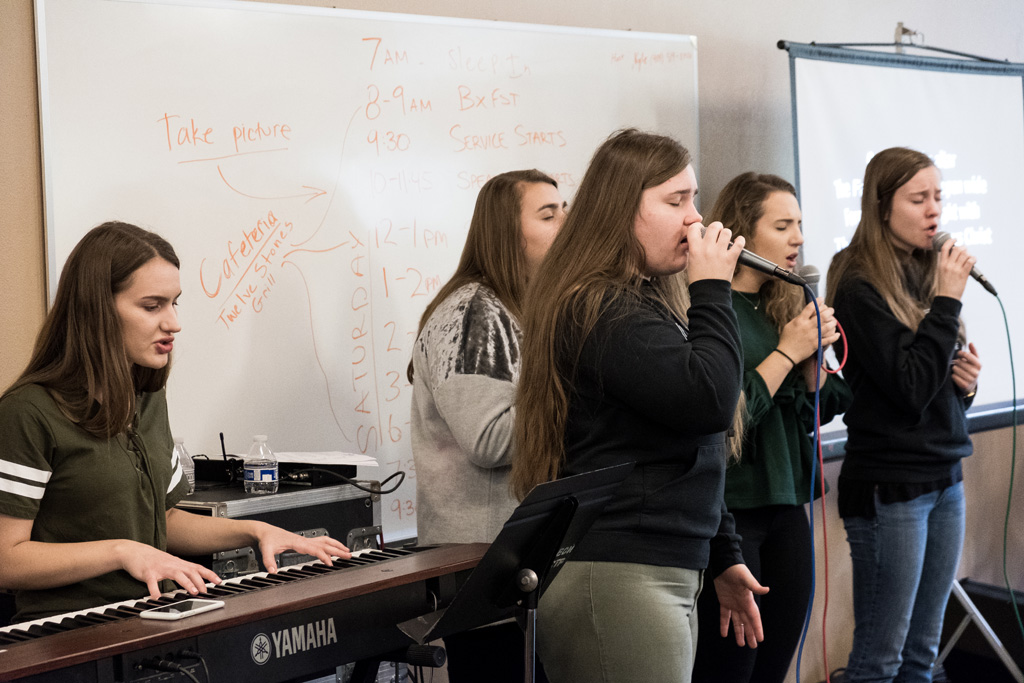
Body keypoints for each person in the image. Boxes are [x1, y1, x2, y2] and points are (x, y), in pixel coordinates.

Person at [510, 129, 769, 683]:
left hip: (661, 567)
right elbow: (709, 402)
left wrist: (724, 552)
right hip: (618, 573)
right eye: (676, 201)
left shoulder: (647, 301)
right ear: (620, 210)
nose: (695, 219)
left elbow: (693, 446)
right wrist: (713, 290)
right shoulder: (598, 307)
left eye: (694, 199)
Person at [0, 222, 351, 624]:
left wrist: (256, 530)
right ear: (96, 310)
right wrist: (122, 551)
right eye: (152, 307)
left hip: (153, 617)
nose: (173, 323)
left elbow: (163, 521)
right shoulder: (27, 413)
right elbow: (7, 560)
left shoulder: (146, 398)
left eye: (174, 303)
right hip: (70, 632)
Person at [825, 147, 982, 683]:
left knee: (923, 655)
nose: (934, 209)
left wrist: (964, 388)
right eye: (918, 198)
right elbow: (908, 388)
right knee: (881, 659)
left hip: (945, 476)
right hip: (891, 487)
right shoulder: (857, 282)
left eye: (938, 196)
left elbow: (930, 382)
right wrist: (948, 303)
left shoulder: (924, 267)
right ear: (881, 205)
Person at [691, 172, 852, 683]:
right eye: (783, 226)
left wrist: (811, 362)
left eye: (799, 225)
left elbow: (819, 409)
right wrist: (787, 353)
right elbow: (727, 418)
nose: (798, 238)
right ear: (743, 230)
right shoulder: (713, 310)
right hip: (733, 510)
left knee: (776, 659)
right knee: (731, 665)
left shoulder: (783, 303)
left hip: (786, 506)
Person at [409, 170, 565, 683]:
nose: (566, 223)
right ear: (507, 232)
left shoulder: (521, 309)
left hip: (520, 569)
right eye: (548, 214)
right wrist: (577, 390)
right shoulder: (475, 313)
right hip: (485, 571)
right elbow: (490, 438)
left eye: (565, 210)